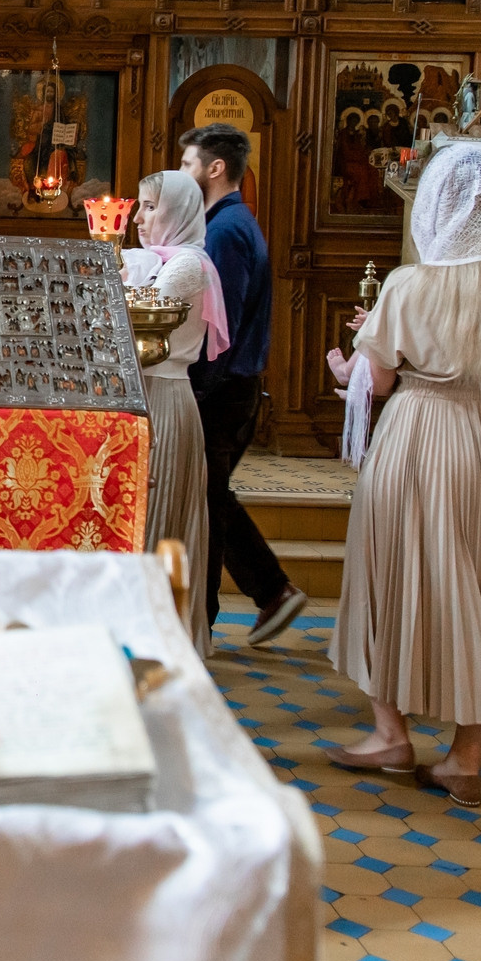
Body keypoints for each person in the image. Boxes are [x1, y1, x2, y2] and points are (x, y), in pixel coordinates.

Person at [321, 142, 481, 803]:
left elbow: (376, 382)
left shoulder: (410, 285)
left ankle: (390, 734)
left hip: (422, 435)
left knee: (392, 573)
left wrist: (353, 362)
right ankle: (465, 758)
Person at [180, 122, 306, 646]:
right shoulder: (227, 222)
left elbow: (219, 325)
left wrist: (196, 391)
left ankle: (204, 622)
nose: (181, 173)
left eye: (187, 164)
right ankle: (271, 591)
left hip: (222, 388)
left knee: (209, 505)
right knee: (212, 498)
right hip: (230, 386)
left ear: (215, 168)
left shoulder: (226, 230)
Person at [124, 171, 223, 654]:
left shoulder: (186, 265)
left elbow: (131, 321)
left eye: (149, 207)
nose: (138, 219)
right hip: (140, 394)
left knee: (157, 519)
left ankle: (159, 643)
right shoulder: (156, 259)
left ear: (179, 211)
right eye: (139, 207)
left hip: (164, 394)